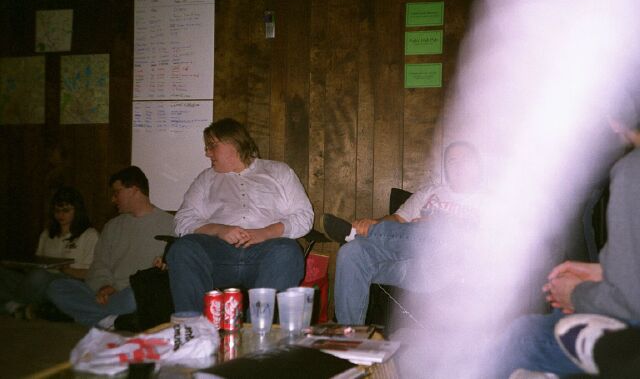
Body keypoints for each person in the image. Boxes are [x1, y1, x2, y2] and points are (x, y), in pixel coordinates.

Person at [496, 144, 640, 377]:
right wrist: (602, 272)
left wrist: (577, 294)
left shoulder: (631, 170)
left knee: (522, 336)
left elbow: (629, 299)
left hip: (625, 325)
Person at [324, 141, 486, 325]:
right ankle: (348, 334)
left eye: (465, 159)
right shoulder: (429, 193)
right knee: (352, 251)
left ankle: (358, 233)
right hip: (410, 267)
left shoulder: (490, 200)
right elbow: (398, 219)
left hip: (449, 268)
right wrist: (374, 222)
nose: (458, 165)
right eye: (452, 161)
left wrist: (437, 225)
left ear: (477, 164)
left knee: (439, 230)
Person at [167, 118, 314, 313]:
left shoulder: (278, 171)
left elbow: (304, 216)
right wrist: (219, 230)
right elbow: (182, 220)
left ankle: (259, 328)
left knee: (288, 251)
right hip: (218, 254)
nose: (207, 153)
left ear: (233, 144)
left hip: (267, 253)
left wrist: (265, 233)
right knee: (183, 248)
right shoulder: (206, 179)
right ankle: (194, 327)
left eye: (211, 146)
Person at [47, 166, 174, 328]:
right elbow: (99, 265)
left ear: (134, 190)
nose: (113, 199)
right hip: (106, 295)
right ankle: (110, 320)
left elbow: (162, 276)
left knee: (137, 296)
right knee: (56, 287)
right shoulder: (112, 226)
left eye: (116, 192)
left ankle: (93, 315)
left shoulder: (170, 224)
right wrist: (104, 286)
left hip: (133, 293)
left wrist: (117, 288)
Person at [0, 186, 99, 318]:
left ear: (77, 211)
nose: (60, 215)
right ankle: (19, 306)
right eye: (57, 211)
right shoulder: (47, 234)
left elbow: (90, 274)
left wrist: (64, 269)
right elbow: (37, 264)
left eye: (66, 210)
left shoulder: (90, 235)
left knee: (39, 276)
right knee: (5, 274)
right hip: (37, 281)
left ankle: (14, 304)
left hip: (67, 283)